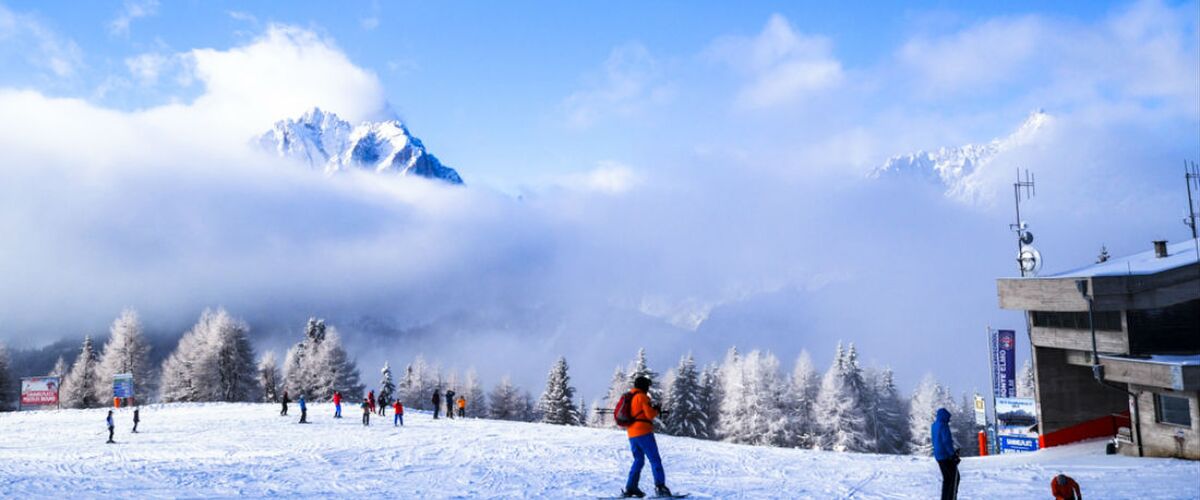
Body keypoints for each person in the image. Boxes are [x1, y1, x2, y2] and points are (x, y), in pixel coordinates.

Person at [621, 376, 671, 498]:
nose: (648, 388)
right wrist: (657, 410)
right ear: (644, 386)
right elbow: (649, 415)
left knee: (638, 460)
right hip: (644, 432)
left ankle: (631, 487)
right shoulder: (642, 397)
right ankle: (660, 487)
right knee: (655, 459)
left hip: (632, 434)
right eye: (647, 385)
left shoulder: (631, 397)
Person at [932, 407, 960, 500]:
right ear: (945, 417)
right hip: (945, 455)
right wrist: (952, 455)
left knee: (947, 479)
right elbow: (946, 441)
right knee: (954, 478)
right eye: (948, 418)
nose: (949, 420)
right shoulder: (943, 426)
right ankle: (951, 497)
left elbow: (937, 440)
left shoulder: (934, 425)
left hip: (938, 456)